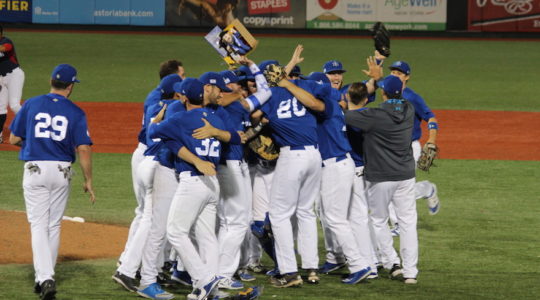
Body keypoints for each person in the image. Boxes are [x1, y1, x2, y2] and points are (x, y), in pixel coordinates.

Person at [9, 64, 95, 299]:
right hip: (61, 172)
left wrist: (31, 143)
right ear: (70, 86)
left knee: (38, 224)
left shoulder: (32, 104)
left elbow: (13, 138)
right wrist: (88, 180)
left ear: (51, 81)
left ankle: (44, 277)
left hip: (35, 170)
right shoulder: (76, 111)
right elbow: (84, 149)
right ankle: (45, 276)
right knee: (53, 224)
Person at [148, 78, 226, 300]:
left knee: (175, 231)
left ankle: (204, 280)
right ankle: (211, 290)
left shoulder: (180, 118)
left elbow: (153, 133)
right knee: (207, 236)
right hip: (213, 183)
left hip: (193, 182)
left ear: (183, 97)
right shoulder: (216, 118)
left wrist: (157, 119)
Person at [345, 74, 419, 284]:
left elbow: (346, 115)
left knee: (378, 221)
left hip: (381, 177)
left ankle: (390, 262)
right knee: (408, 223)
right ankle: (410, 272)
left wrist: (362, 93)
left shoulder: (373, 115)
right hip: (406, 175)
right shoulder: (409, 109)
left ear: (383, 93)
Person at [0, 25, 25, 143]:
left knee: (14, 105)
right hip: (1, 78)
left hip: (14, 75)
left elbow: (5, 48)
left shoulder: (6, 41)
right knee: (0, 107)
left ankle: (30, 128)